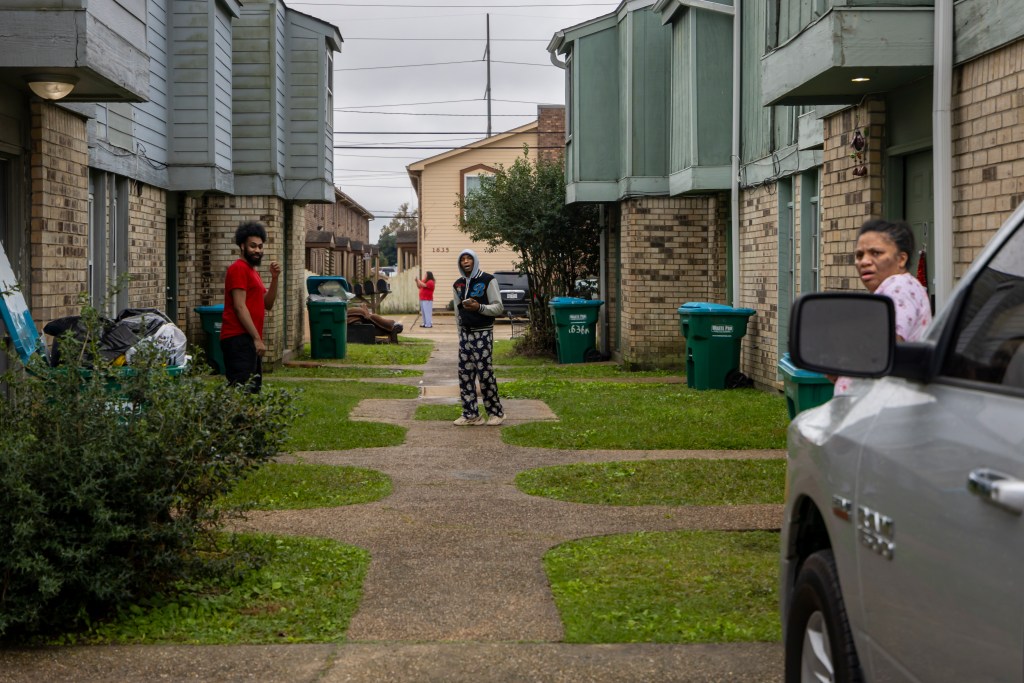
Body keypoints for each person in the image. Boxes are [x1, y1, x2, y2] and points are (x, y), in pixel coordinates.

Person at [834, 218, 932, 395]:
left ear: (901, 259)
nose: (864, 261)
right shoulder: (891, 289)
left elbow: (885, 349)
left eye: (876, 253)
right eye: (859, 255)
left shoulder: (899, 286)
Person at [220, 220, 280, 392]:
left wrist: (275, 278)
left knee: (252, 390)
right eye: (253, 246)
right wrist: (256, 338)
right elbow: (239, 307)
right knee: (241, 391)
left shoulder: (252, 272)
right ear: (242, 246)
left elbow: (267, 304)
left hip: (248, 339)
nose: (257, 250)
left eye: (260, 247)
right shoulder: (238, 269)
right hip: (238, 338)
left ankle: (247, 420)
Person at [452, 250, 505, 426]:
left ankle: (496, 413)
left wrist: (480, 308)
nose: (466, 262)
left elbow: (498, 308)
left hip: (482, 332)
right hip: (465, 334)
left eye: (469, 259)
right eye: (462, 259)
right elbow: (457, 312)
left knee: (484, 373)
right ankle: (471, 414)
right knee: (465, 374)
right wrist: (460, 333)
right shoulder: (458, 285)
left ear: (475, 261)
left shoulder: (488, 280)